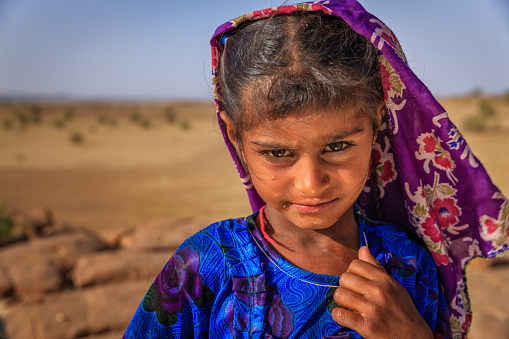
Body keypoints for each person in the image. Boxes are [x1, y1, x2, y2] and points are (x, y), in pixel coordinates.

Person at [123, 1, 509, 338]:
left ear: (376, 124)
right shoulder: (205, 265)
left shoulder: (406, 263)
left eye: (338, 147)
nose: (311, 184)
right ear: (234, 135)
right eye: (277, 153)